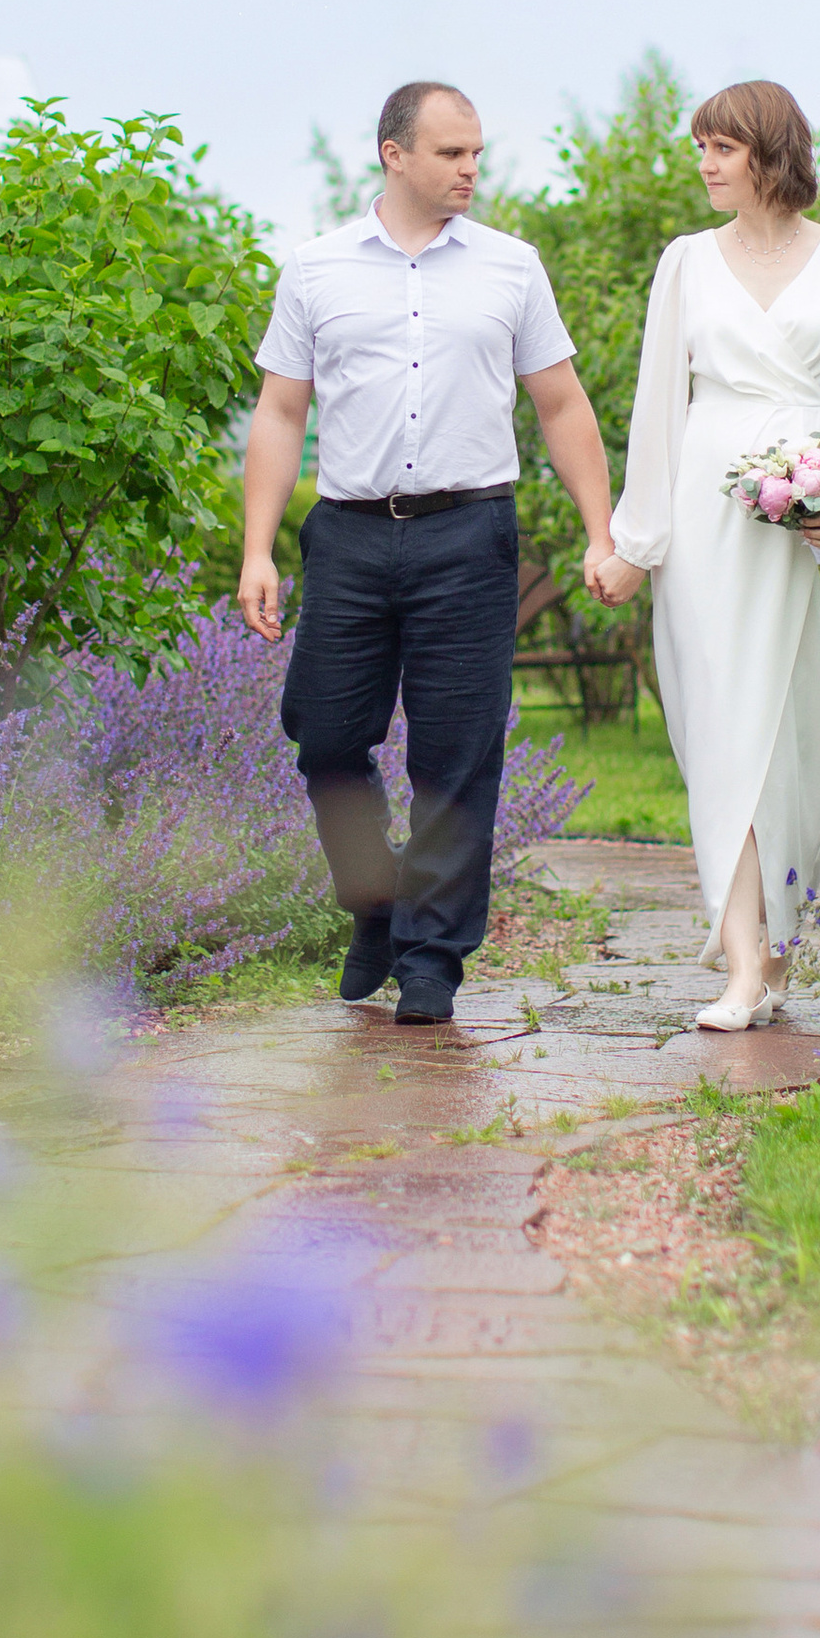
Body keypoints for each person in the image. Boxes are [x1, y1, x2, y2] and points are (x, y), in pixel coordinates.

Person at [239, 81, 618, 1024]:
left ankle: (432, 958)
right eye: (452, 154)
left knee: (456, 755)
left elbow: (562, 405)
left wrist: (602, 531)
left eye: (477, 153)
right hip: (351, 535)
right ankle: (376, 900)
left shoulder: (511, 268)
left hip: (469, 534)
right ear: (393, 154)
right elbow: (282, 412)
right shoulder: (316, 268)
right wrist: (258, 550)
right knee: (324, 735)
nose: (470, 170)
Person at [584, 80, 820, 1029]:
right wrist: (639, 541)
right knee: (725, 732)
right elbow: (657, 412)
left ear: (768, 152)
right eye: (702, 150)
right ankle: (742, 963)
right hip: (711, 523)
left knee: (803, 737)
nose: (706, 166)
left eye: (721, 149)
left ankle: (782, 939)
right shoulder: (685, 262)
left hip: (818, 528)